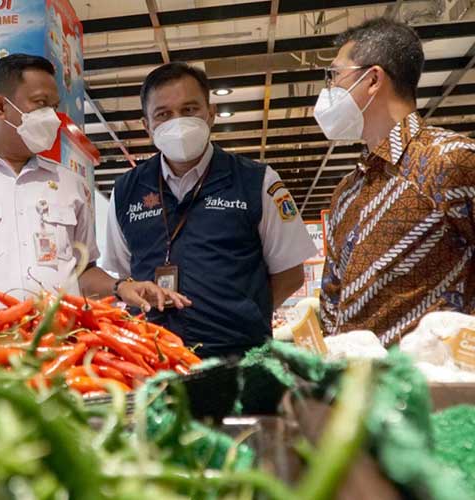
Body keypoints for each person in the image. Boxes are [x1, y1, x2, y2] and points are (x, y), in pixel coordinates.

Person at [0, 54, 186, 311]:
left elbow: (82, 273)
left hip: (59, 348)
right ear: (1, 107)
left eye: (53, 106)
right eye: (40, 104)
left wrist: (121, 286)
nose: (52, 118)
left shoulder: (71, 184)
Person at [103, 62, 316, 358]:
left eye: (189, 110)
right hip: (153, 357)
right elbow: (124, 272)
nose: (177, 122)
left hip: (240, 357)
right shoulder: (127, 190)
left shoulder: (256, 181)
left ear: (210, 114)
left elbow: (290, 273)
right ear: (147, 126)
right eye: (163, 114)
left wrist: (244, 314)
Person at [318, 18, 475, 346]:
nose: (328, 90)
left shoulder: (450, 160)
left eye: (334, 76)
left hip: (433, 388)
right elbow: (332, 297)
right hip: (355, 387)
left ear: (372, 79)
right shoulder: (347, 191)